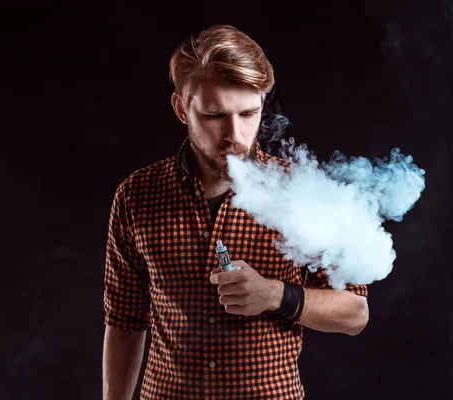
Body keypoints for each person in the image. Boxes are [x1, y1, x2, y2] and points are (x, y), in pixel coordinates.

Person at [102, 24, 369, 400]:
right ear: (182, 108)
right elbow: (124, 321)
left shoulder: (302, 192)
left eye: (249, 113)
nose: (236, 136)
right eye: (214, 115)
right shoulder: (136, 196)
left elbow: (356, 313)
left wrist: (277, 296)